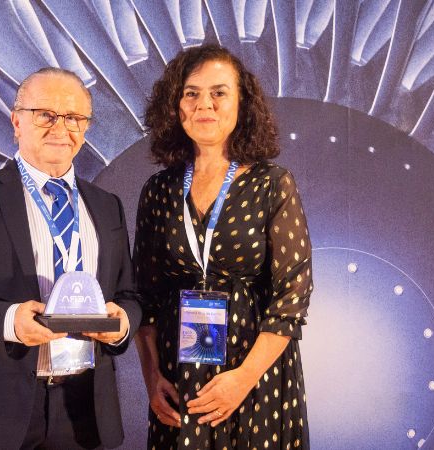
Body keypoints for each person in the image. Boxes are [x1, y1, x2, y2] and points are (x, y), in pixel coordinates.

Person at [0, 67, 142, 449]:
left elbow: (129, 295)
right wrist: (9, 322)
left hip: (85, 409)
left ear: (86, 128)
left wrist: (122, 324)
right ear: (17, 121)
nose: (61, 127)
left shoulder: (106, 206)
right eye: (46, 115)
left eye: (74, 117)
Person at [133, 44, 313, 449]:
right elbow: (145, 297)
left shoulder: (272, 183)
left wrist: (243, 379)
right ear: (174, 105)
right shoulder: (158, 190)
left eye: (219, 92)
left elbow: (292, 297)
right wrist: (152, 377)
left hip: (254, 376)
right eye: (191, 93)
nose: (204, 105)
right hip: (177, 377)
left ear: (241, 103)